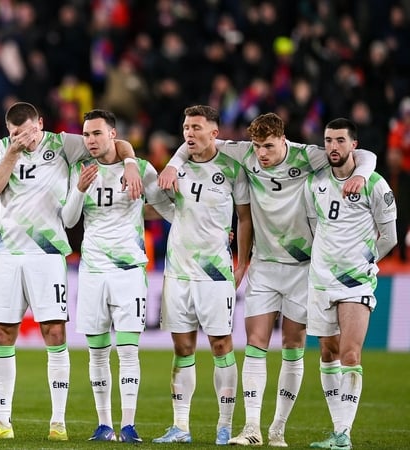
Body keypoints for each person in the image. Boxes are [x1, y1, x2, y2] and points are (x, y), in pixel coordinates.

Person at [158, 112, 376, 446]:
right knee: (256, 344)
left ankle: (278, 429)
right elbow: (198, 142)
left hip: (302, 268)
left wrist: (361, 174)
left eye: (269, 147)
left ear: (283, 140)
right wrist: (173, 163)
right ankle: (251, 429)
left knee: (293, 345)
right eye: (258, 146)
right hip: (264, 266)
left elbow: (362, 155)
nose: (262, 154)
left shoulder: (307, 155)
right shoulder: (244, 153)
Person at [0, 101, 142, 441]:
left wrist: (130, 162)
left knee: (54, 333)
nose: (23, 140)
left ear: (41, 124)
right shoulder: (5, 149)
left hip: (48, 254)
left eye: (27, 133)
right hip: (8, 254)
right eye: (14, 134)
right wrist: (11, 152)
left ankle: (58, 423)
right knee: (2, 334)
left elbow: (113, 142)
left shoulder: (64, 144)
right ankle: (2, 420)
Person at [61, 109, 174, 443]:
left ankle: (128, 424)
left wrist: (193, 227)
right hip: (93, 271)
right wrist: (79, 190)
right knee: (97, 352)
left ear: (113, 135)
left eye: (97, 133)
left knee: (127, 351)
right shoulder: (80, 170)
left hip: (128, 272)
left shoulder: (139, 168)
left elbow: (165, 208)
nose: (90, 140)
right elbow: (68, 221)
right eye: (86, 135)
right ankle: (104, 424)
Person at [152, 105, 253, 445]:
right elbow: (159, 205)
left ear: (214, 132)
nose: (189, 133)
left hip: (215, 273)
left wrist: (241, 263)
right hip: (178, 272)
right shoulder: (175, 169)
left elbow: (245, 218)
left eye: (196, 127)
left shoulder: (231, 167)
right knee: (182, 348)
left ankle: (224, 425)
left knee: (221, 345)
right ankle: (181, 426)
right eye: (185, 128)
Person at [305, 118, 397, 450]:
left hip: (356, 283)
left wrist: (367, 261)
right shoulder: (316, 182)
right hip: (321, 280)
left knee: (350, 352)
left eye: (340, 141)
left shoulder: (374, 184)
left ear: (353, 145)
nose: (333, 146)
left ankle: (344, 433)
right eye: (328, 140)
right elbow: (313, 226)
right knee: (327, 352)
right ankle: (336, 427)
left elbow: (389, 236)